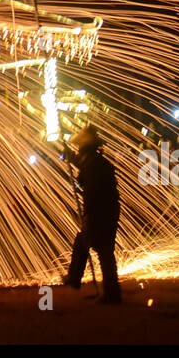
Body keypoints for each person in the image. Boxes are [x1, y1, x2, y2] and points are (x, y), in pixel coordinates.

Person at [61, 124, 121, 303]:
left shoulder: (93, 163)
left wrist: (89, 215)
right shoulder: (92, 160)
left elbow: (93, 192)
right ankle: (78, 281)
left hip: (101, 211)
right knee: (90, 245)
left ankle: (110, 294)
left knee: (102, 251)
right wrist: (69, 156)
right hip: (106, 210)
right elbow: (80, 163)